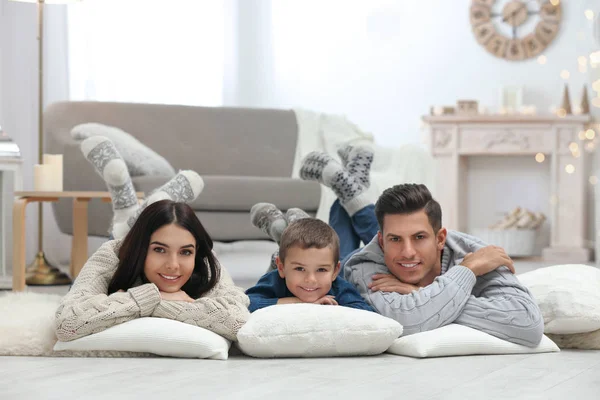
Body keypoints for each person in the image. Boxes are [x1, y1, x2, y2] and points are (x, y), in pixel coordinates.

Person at [295, 147, 544, 347]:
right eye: (394, 240)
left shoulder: (477, 254)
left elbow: (528, 325)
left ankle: (350, 190)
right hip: (339, 269)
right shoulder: (364, 266)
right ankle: (332, 203)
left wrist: (418, 292)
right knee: (329, 253)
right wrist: (465, 274)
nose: (408, 252)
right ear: (381, 242)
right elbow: (408, 322)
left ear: (440, 238)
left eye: (420, 237)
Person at [55, 137, 249, 342]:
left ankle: (145, 206)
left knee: (132, 226)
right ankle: (140, 206)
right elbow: (68, 324)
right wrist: (155, 297)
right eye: (159, 250)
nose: (173, 265)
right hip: (125, 245)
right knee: (122, 233)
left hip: (137, 241)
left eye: (185, 252)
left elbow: (238, 323)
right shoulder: (111, 254)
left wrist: (135, 301)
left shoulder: (205, 262)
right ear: (142, 248)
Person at [245, 217, 374, 312]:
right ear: (281, 268)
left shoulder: (339, 288)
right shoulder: (274, 280)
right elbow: (245, 304)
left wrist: (329, 309)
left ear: (335, 272)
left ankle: (289, 230)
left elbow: (368, 313)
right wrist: (298, 302)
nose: (310, 279)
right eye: (300, 268)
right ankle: (283, 242)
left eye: (321, 269)